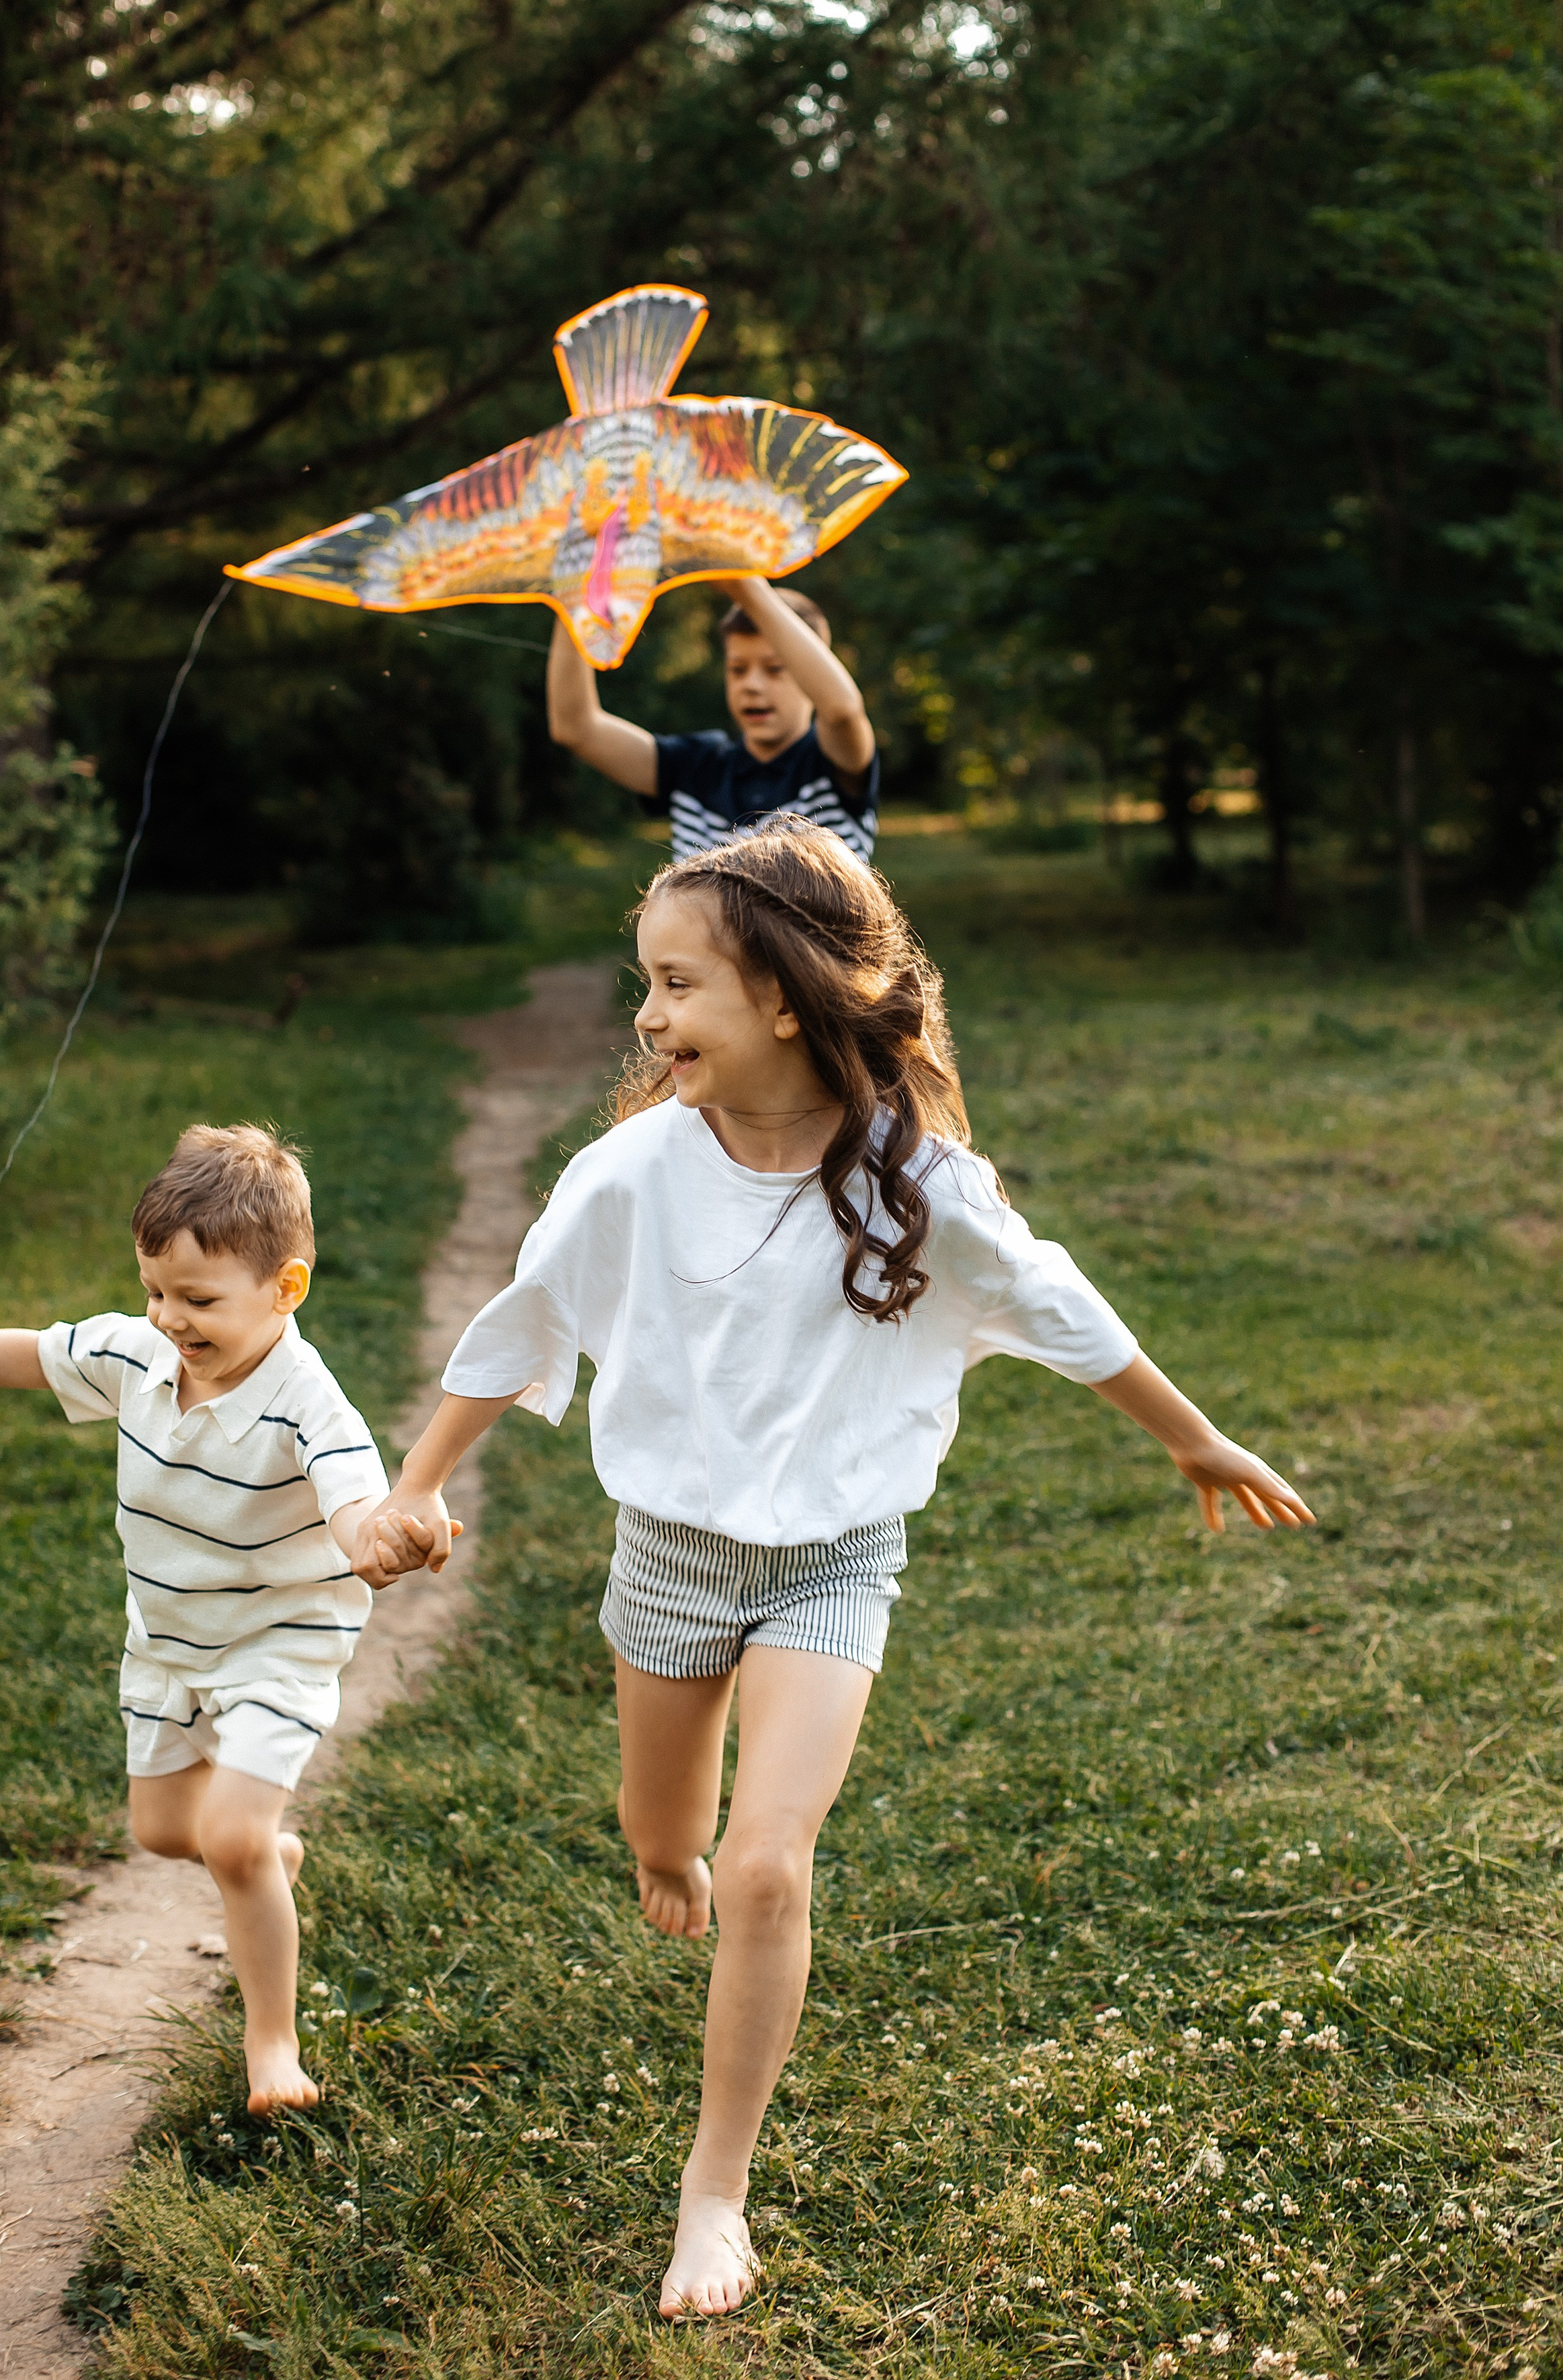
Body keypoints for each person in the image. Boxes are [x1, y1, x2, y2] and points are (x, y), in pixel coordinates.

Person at [348, 816, 1316, 2320]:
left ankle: (712, 2195)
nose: (646, 1017)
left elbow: (1065, 1308)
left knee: (766, 1865)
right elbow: (516, 1324)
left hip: (831, 1566)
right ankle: (664, 1847)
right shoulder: (630, 1176)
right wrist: (413, 1483)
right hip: (669, 1558)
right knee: (662, 1830)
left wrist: (1191, 1441)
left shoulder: (915, 1181)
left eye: (677, 988)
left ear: (785, 1000)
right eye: (643, 986)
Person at [0, 1124, 451, 2115]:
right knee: (167, 1831)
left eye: (200, 1300)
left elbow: (355, 1512)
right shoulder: (139, 1354)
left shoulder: (313, 1408)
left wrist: (387, 1541)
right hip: (168, 1644)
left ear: (287, 1289)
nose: (171, 1318)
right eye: (156, 1292)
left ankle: (272, 2045)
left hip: (277, 1644)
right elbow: (40, 1357)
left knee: (227, 1833)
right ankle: (262, 1853)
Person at [546, 572, 880, 862]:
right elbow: (575, 727)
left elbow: (843, 711)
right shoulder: (694, 767)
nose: (751, 685)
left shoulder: (832, 763)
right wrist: (576, 602)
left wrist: (747, 587)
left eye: (776, 669)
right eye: (737, 669)